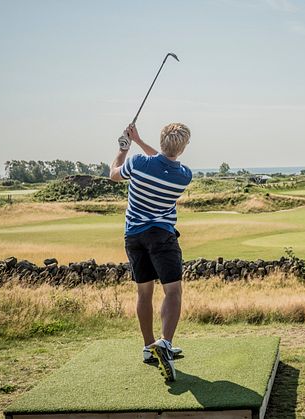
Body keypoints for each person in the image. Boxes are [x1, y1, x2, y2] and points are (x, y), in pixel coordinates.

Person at [109, 122, 193, 382]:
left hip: (133, 236)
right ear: (183, 148)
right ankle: (165, 344)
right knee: (173, 291)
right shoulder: (184, 175)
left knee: (144, 292)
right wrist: (140, 141)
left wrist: (124, 147)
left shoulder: (137, 163)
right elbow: (164, 159)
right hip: (161, 236)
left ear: (161, 141)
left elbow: (114, 174)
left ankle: (149, 347)